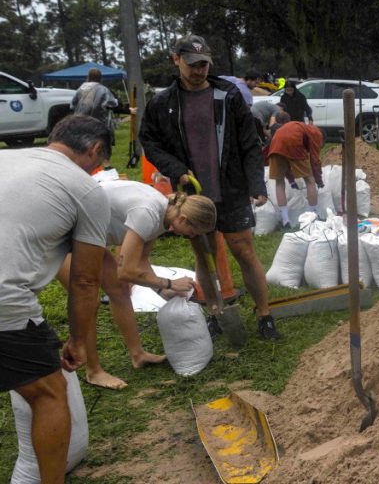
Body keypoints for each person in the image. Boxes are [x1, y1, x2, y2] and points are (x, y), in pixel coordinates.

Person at [139, 34, 279, 340]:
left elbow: (249, 144)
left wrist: (256, 183)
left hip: (230, 187)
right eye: (191, 64)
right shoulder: (163, 103)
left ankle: (265, 314)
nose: (199, 70)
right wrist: (177, 170)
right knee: (203, 252)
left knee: (243, 249)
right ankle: (215, 312)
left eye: (203, 64)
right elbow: (149, 142)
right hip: (193, 193)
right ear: (176, 60)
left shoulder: (227, 95)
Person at [0, 115, 111, 484]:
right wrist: (79, 342)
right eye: (100, 162)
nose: (97, 170)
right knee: (48, 393)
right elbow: (84, 279)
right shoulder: (85, 189)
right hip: (5, 299)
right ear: (95, 150)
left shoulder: (8, 157)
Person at [55, 181, 217, 389]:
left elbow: (141, 261)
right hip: (62, 234)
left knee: (119, 290)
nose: (190, 237)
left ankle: (138, 355)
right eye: (192, 232)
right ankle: (93, 371)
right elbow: (126, 271)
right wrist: (169, 282)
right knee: (88, 299)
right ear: (183, 219)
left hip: (88, 236)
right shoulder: (147, 213)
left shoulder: (163, 213)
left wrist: (162, 289)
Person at [267, 111, 325, 227]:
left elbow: (287, 161)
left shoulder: (299, 127)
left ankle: (285, 220)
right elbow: (314, 159)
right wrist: (318, 179)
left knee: (279, 181)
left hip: (275, 144)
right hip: (293, 140)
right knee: (309, 180)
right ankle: (313, 216)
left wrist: (292, 180)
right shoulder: (316, 134)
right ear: (322, 138)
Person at [72, 67, 131, 168]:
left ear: (88, 77)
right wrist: (129, 111)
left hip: (81, 124)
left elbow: (73, 106)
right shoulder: (103, 89)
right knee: (103, 147)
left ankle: (85, 168)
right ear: (100, 78)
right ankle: (106, 166)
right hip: (99, 125)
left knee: (85, 148)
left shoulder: (80, 89)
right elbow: (113, 105)